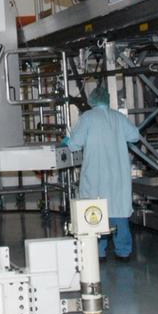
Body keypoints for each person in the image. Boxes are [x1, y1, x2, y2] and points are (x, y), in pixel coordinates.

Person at [60, 85, 141, 260]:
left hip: (96, 174)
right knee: (119, 213)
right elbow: (135, 136)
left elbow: (74, 144)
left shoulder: (88, 118)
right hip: (118, 174)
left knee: (95, 215)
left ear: (92, 100)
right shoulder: (118, 117)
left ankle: (98, 252)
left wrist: (67, 140)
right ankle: (123, 251)